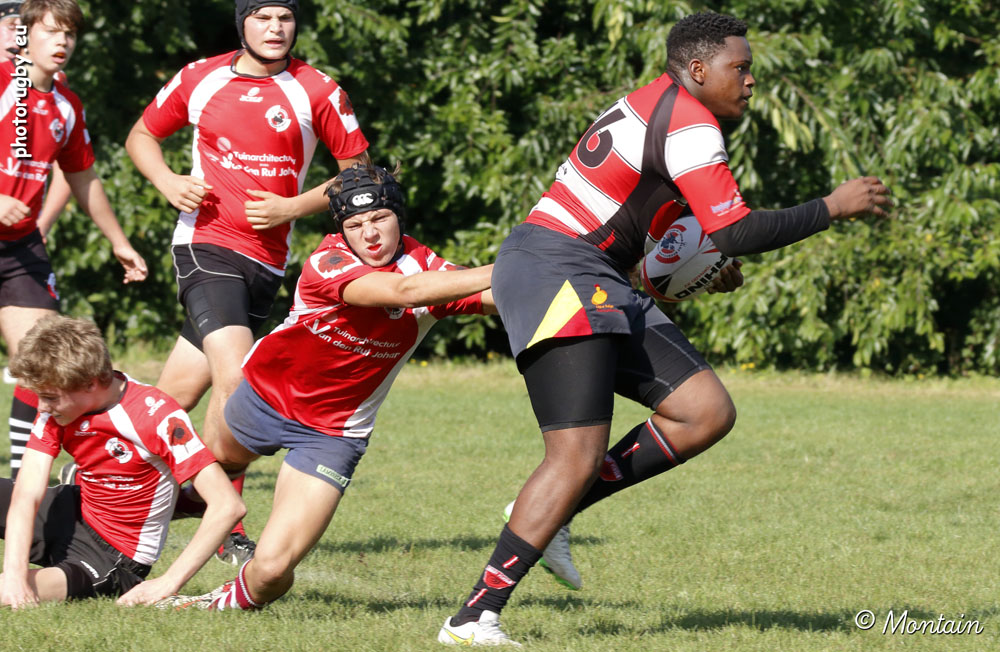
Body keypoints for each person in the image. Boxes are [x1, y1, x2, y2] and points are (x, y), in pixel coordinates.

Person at [439, 11, 892, 646]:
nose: (751, 80)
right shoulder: (690, 122)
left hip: (589, 273)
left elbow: (656, 242)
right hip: (558, 269)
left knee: (704, 411)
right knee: (575, 454)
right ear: (698, 69)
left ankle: (553, 512)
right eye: (741, 67)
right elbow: (735, 230)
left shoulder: (662, 105)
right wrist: (831, 207)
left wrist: (702, 268)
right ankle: (472, 617)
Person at [154, 163, 495, 611]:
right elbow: (405, 292)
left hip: (332, 433)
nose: (369, 234)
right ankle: (135, 502)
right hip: (262, 397)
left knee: (271, 570)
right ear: (341, 230)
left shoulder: (428, 268)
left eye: (380, 219)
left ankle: (216, 605)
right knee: (213, 471)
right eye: (355, 225)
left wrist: (554, 277)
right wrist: (510, 265)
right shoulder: (328, 260)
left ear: (399, 217)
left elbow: (493, 297)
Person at [125, 0, 370, 564]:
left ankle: (103, 476)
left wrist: (291, 208)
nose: (275, 28)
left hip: (267, 263)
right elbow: (141, 135)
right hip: (205, 246)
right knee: (237, 380)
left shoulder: (317, 89)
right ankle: (225, 520)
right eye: (262, 17)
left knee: (173, 398)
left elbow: (359, 171)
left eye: (285, 18)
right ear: (243, 24)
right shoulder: (200, 77)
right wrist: (165, 180)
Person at [0, 316, 245, 608]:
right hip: (74, 509)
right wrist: (14, 573)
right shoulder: (56, 410)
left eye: (50, 397)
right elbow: (26, 493)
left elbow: (228, 505)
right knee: (11, 582)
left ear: (90, 383)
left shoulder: (155, 416)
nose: (42, 407)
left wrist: (168, 582)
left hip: (113, 555)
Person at [1, 0, 147, 481]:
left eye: (69, 33)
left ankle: (23, 484)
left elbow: (83, 177)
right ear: (24, 36)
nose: (62, 41)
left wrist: (119, 241)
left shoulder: (66, 104)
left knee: (41, 361)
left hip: (19, 247)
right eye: (50, 31)